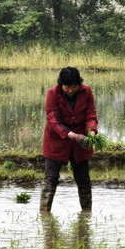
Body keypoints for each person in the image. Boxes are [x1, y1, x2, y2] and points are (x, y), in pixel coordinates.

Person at [40, 67, 98, 213]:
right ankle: (45, 213)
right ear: (61, 85)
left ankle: (86, 214)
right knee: (51, 179)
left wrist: (91, 131)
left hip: (81, 143)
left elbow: (91, 114)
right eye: (67, 87)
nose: (71, 90)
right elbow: (54, 122)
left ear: (79, 84)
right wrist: (72, 135)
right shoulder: (52, 94)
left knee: (83, 179)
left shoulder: (86, 91)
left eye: (74, 87)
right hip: (57, 141)